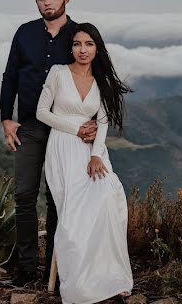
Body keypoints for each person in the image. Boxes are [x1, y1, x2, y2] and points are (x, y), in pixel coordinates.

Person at [0, 0, 98, 287]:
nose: (47, 2)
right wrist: (6, 118)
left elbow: (96, 74)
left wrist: (95, 120)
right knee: (24, 194)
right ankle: (27, 268)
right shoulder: (24, 33)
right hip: (30, 126)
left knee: (59, 198)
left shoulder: (79, 35)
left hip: (67, 132)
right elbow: (10, 76)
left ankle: (55, 271)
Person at [36, 22, 133, 304]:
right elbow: (41, 112)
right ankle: (79, 280)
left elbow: (102, 122)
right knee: (75, 211)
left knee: (108, 196)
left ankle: (109, 274)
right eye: (77, 44)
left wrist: (95, 155)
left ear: (97, 48)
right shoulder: (58, 73)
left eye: (88, 44)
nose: (82, 49)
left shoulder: (101, 81)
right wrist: (75, 129)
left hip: (92, 150)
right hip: (63, 146)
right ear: (71, 47)